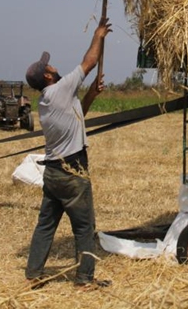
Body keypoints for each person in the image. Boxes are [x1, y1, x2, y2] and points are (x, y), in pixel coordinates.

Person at [24, 17, 112, 291]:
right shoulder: (60, 88)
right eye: (49, 65)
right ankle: (84, 280)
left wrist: (91, 96)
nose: (54, 65)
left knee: (46, 225)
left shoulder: (49, 100)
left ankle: (34, 274)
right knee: (84, 228)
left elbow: (78, 118)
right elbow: (89, 62)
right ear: (48, 76)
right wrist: (98, 35)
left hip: (53, 174)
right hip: (73, 172)